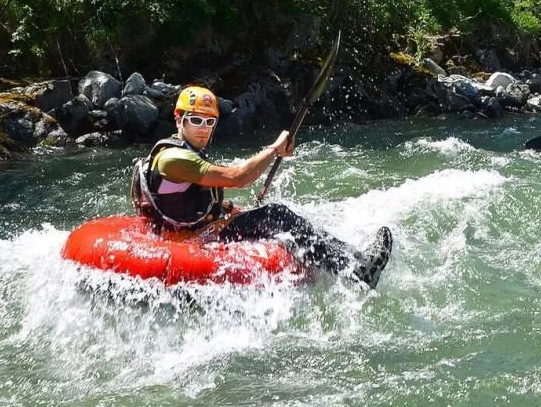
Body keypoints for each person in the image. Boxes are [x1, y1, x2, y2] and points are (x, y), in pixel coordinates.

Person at [131, 85, 393, 287]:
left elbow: (186, 196)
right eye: (196, 120)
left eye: (209, 122)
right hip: (190, 239)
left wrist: (226, 207)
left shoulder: (185, 150)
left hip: (192, 228)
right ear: (179, 120)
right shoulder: (174, 158)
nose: (203, 129)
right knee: (276, 214)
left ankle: (350, 256)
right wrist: (273, 150)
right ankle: (355, 269)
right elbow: (237, 178)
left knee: (271, 219)